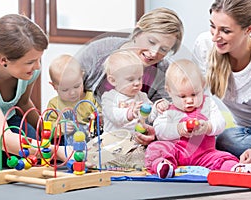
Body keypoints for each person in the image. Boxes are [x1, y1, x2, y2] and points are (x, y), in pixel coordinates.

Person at [76, 7, 184, 146]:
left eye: (163, 49)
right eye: (151, 41)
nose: (153, 53)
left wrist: (154, 132)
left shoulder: (163, 71)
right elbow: (67, 87)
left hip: (131, 141)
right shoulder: (99, 51)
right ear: (137, 31)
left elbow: (167, 116)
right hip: (87, 133)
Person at [192, 0, 251, 161]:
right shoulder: (204, 45)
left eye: (225, 31)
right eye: (212, 26)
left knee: (226, 140)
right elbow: (196, 96)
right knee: (224, 138)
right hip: (242, 132)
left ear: (249, 29)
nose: (215, 37)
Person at [145, 59, 251, 178]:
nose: (189, 100)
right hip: (177, 152)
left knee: (221, 158)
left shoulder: (207, 104)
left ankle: (236, 168)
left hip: (205, 153)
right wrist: (178, 129)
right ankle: (163, 165)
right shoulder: (168, 109)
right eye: (182, 96)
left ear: (202, 86)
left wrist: (208, 127)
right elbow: (160, 130)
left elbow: (221, 123)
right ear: (169, 92)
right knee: (155, 148)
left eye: (194, 94)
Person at [0, 14, 67, 167]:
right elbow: (1, 136)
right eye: (30, 62)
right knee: (4, 158)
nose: (38, 67)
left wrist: (48, 133)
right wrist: (57, 150)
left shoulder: (29, 71)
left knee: (41, 155)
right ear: (4, 60)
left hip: (9, 121)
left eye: (39, 59)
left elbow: (23, 103)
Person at [95, 50, 163, 169]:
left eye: (139, 78)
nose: (137, 83)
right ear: (113, 80)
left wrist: (157, 108)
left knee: (148, 156)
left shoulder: (142, 96)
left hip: (135, 145)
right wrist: (129, 113)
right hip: (113, 144)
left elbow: (150, 117)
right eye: (131, 80)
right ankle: (111, 164)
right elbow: (113, 116)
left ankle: (143, 165)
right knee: (102, 158)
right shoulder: (109, 97)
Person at [46, 54, 101, 145]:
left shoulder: (92, 97)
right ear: (54, 86)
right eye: (65, 89)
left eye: (76, 86)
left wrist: (98, 117)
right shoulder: (54, 104)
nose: (72, 93)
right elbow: (47, 131)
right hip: (66, 148)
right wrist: (60, 128)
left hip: (91, 143)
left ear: (82, 77)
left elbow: (102, 117)